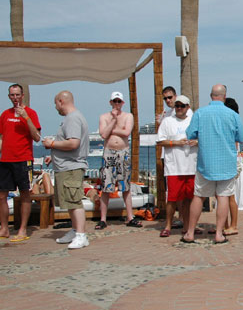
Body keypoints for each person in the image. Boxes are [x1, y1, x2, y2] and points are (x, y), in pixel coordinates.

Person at [183, 84, 243, 244]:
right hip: (226, 163)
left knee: (199, 197)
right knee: (223, 197)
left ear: (211, 96)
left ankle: (189, 233)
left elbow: (190, 134)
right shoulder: (233, 115)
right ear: (224, 96)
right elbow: (241, 136)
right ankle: (219, 234)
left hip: (206, 163)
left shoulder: (200, 113)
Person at [43, 91, 90, 249]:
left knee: (74, 201)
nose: (55, 107)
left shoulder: (72, 118)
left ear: (61, 101)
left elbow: (73, 143)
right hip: (65, 166)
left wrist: (52, 144)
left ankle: (81, 235)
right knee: (69, 202)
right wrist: (54, 154)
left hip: (71, 167)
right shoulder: (71, 119)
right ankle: (75, 230)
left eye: (55, 103)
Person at [0, 84, 41, 242]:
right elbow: (2, 138)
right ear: (9, 96)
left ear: (22, 95)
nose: (15, 98)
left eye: (17, 95)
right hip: (5, 160)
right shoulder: (4, 114)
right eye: (12, 95)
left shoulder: (31, 113)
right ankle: (4, 228)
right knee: (2, 195)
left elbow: (37, 137)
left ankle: (23, 229)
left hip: (23, 159)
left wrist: (26, 118)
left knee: (25, 194)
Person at [96, 91, 141, 229]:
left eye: (119, 101)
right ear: (110, 102)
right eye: (114, 101)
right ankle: (103, 219)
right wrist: (115, 121)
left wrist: (111, 130)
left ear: (123, 103)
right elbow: (103, 134)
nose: (117, 104)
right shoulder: (104, 117)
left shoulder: (128, 116)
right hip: (108, 152)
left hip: (123, 152)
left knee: (125, 186)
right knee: (106, 186)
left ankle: (130, 216)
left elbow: (127, 132)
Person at [156, 95, 197, 237]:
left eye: (182, 106)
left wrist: (195, 142)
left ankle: (188, 225)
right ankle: (168, 225)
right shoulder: (168, 122)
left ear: (188, 107)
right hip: (174, 167)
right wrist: (176, 143)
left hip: (191, 165)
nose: (179, 108)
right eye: (177, 106)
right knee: (172, 198)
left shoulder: (193, 120)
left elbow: (202, 138)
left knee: (190, 198)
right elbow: (160, 141)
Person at [223, 97, 240, 236]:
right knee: (224, 196)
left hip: (230, 162)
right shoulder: (234, 121)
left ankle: (232, 225)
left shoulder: (231, 123)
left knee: (229, 196)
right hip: (230, 161)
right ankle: (226, 225)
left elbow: (233, 145)